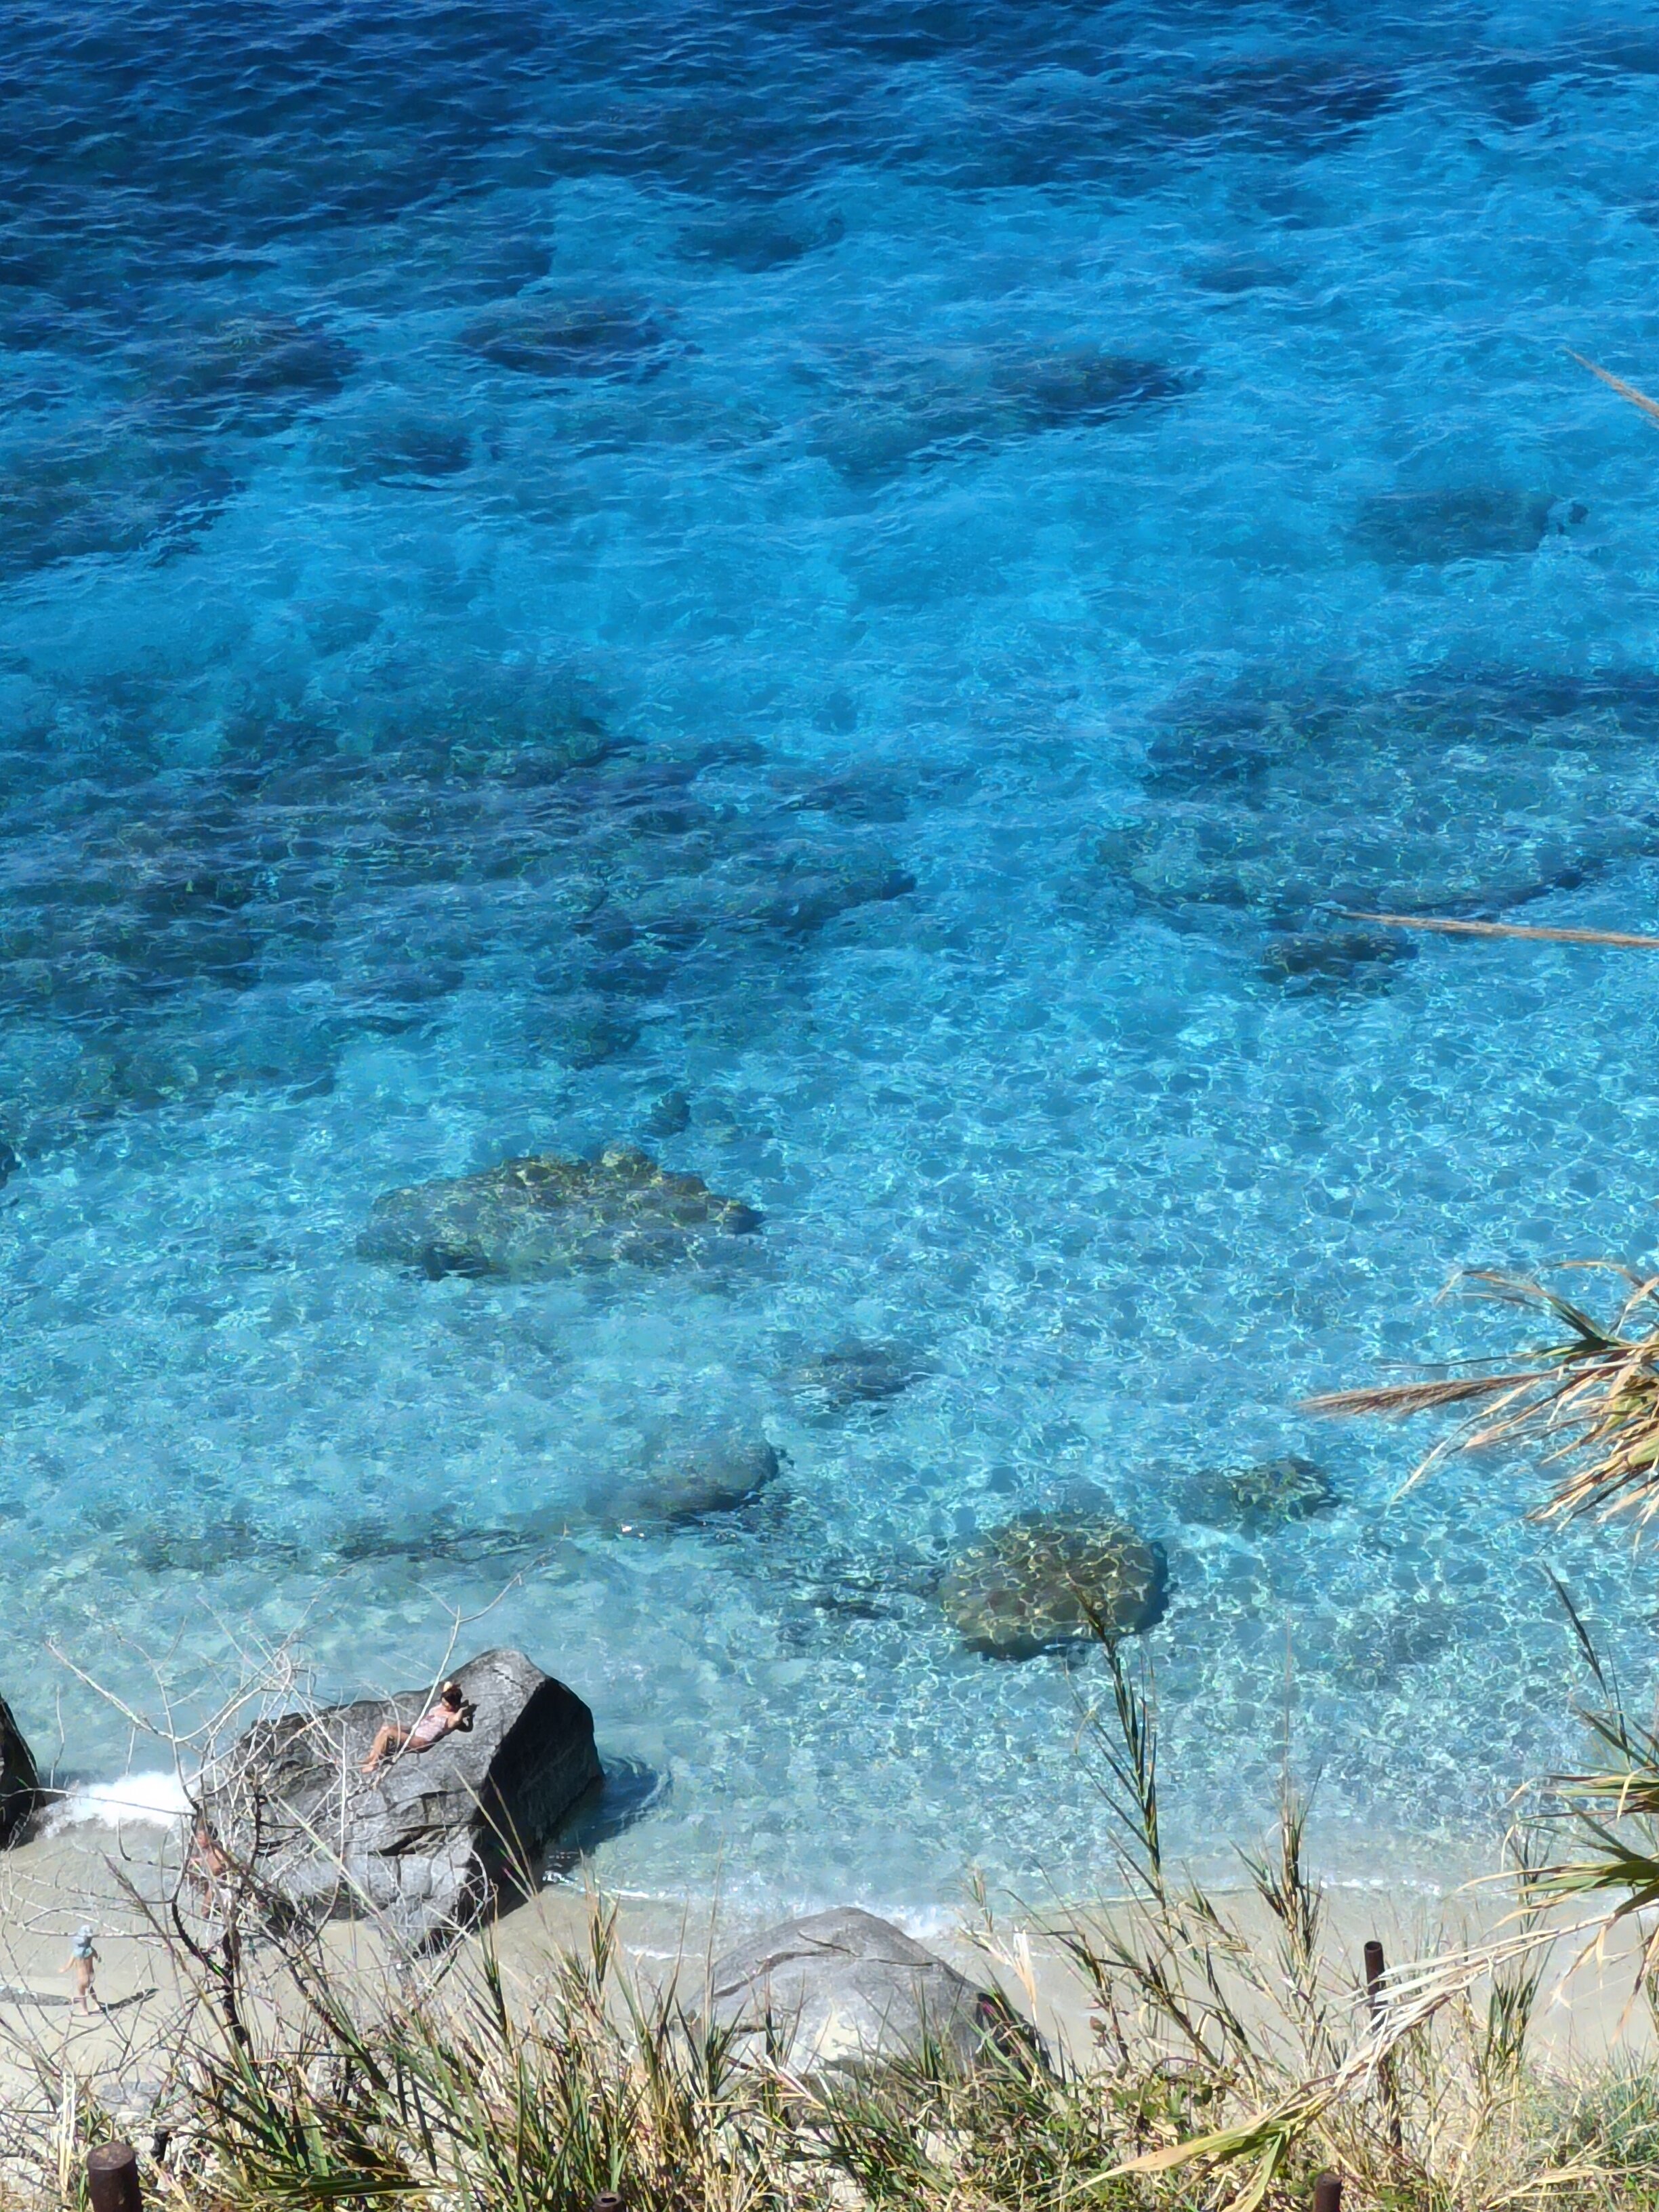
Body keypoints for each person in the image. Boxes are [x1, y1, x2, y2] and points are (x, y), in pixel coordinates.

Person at [361, 1679, 474, 1774]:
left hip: (421, 1742)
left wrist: (463, 1709)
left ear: (453, 1705)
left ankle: (374, 1764)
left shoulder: (451, 1719)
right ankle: (372, 1757)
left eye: (446, 1703)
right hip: (414, 1731)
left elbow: (459, 1719)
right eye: (443, 1701)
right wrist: (452, 1690)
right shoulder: (443, 1706)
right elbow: (448, 1685)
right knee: (385, 1728)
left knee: (390, 1732)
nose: (443, 1704)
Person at [63, 1925, 100, 2015]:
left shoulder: (75, 1954)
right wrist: (99, 1959)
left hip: (82, 1977)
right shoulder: (91, 1950)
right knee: (91, 1989)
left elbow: (68, 1966)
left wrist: (63, 1969)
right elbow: (98, 1958)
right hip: (91, 1976)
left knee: (81, 1992)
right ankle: (96, 2004)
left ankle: (85, 2010)